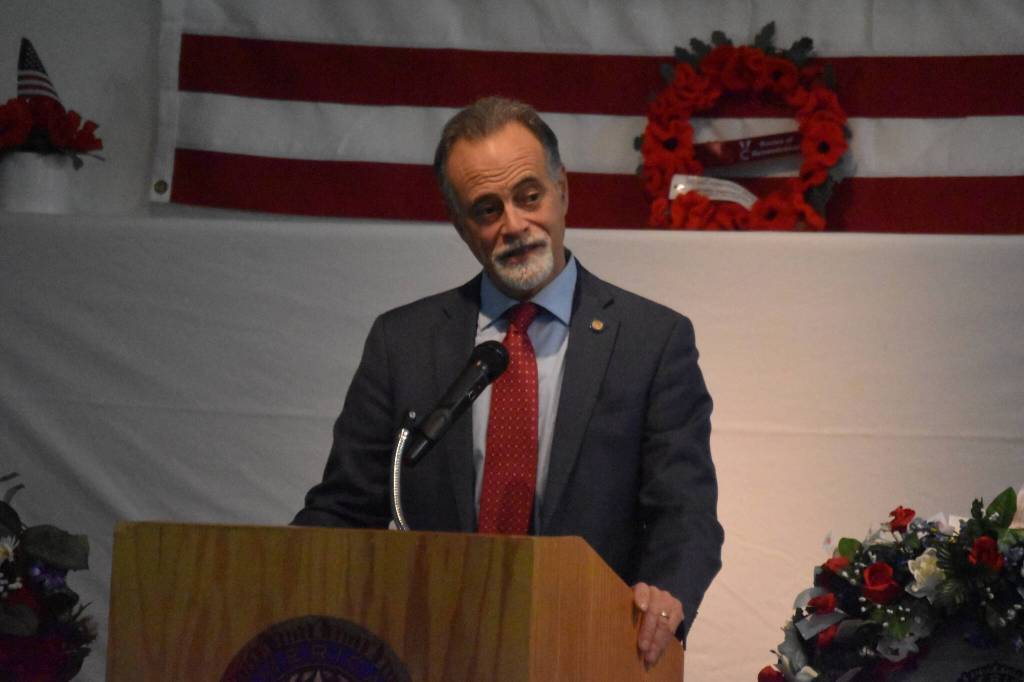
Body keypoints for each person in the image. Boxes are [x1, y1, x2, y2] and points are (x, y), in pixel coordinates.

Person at [294, 96, 723, 667]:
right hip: (432, 650)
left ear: (562, 190)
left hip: (590, 652)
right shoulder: (403, 342)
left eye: (529, 197)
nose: (514, 225)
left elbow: (685, 512)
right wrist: (278, 575)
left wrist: (668, 595)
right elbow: (346, 508)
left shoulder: (652, 340)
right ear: (460, 224)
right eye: (487, 208)